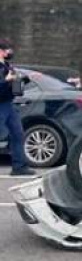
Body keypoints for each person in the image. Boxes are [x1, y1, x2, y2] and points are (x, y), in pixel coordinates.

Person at [0, 39, 35, 176]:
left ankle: (19, 167)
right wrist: (5, 80)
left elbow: (14, 86)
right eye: (8, 49)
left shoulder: (8, 66)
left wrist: (24, 79)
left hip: (8, 104)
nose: (10, 52)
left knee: (17, 134)